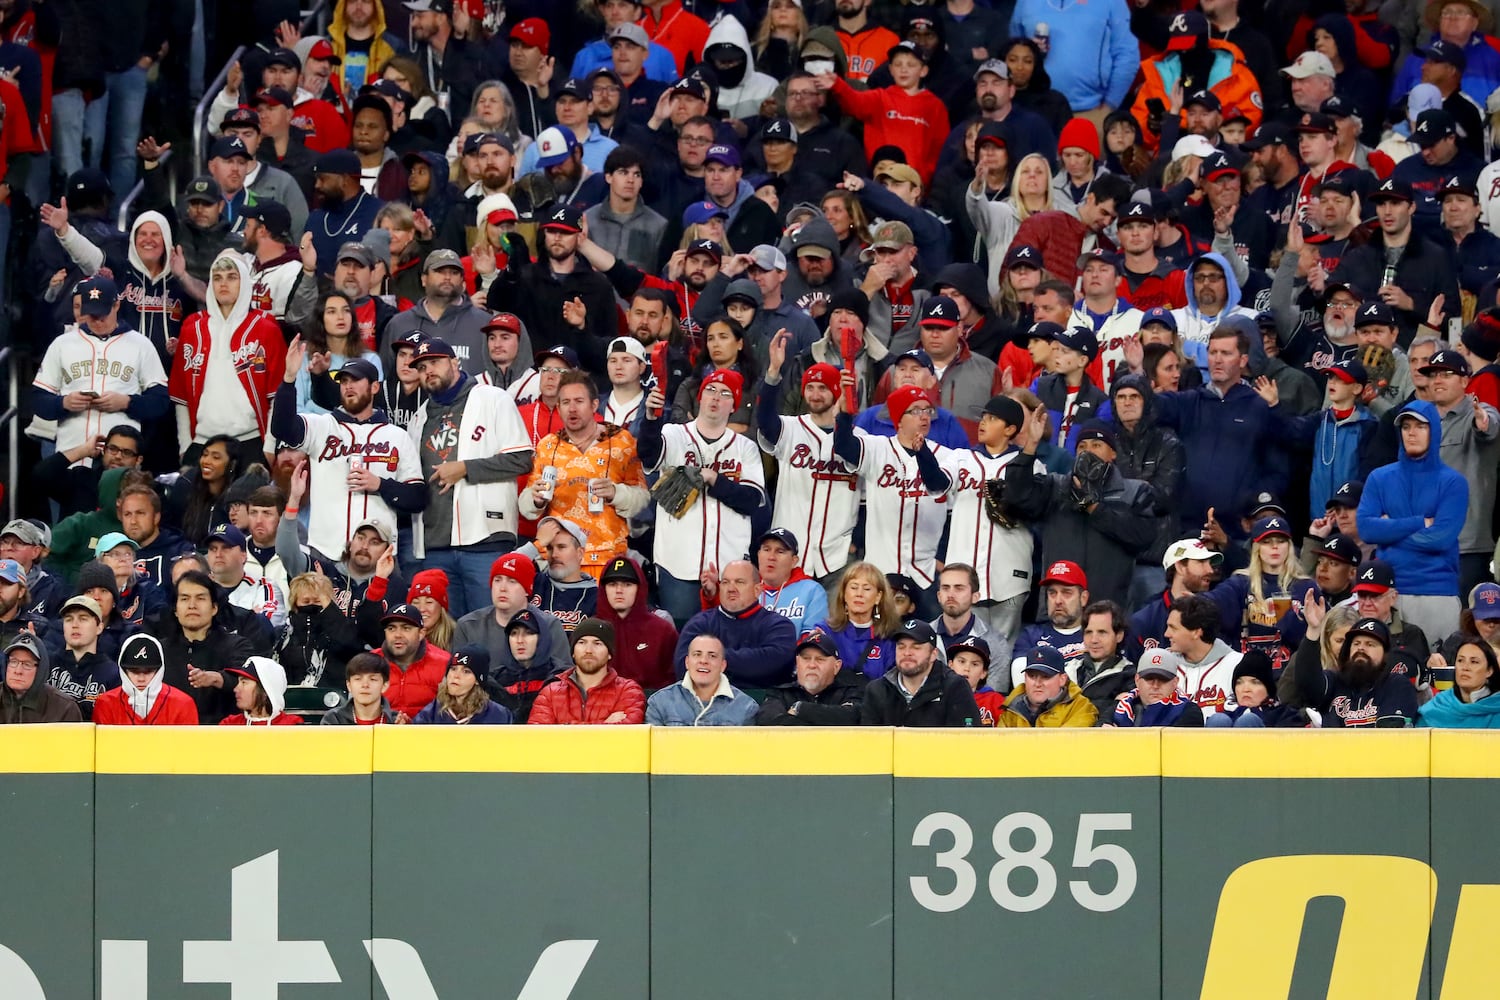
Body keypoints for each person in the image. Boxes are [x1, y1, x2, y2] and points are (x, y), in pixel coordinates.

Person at [408, 336, 534, 617]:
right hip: (435, 543)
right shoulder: (418, 418)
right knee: (445, 634)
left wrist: (465, 468)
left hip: (485, 538)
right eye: (422, 366)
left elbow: (522, 458)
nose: (429, 370)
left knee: (492, 623)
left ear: (455, 361)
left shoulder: (492, 398)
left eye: (436, 362)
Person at [639, 369, 766, 626]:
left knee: (730, 637)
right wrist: (651, 420)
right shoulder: (675, 434)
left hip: (728, 566)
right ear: (699, 397)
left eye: (725, 393)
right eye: (710, 390)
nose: (715, 397)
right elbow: (649, 455)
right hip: (677, 563)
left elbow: (751, 500)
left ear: (734, 405)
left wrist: (714, 479)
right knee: (681, 636)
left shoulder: (745, 447)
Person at [1004, 413, 1157, 605]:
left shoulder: (1135, 491)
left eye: (1096, 445)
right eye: (1082, 446)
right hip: (1059, 606)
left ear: (1113, 453)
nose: (1088, 452)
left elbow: (1143, 537)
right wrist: (1030, 446)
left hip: (1109, 610)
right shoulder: (1055, 486)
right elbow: (1017, 497)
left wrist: (1093, 508)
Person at [938, 394, 1040, 678]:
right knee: (963, 649)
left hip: (1010, 573)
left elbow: (1035, 511)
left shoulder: (1029, 464)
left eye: (992, 418)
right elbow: (936, 483)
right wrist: (922, 453)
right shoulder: (960, 458)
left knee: (1003, 650)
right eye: (983, 417)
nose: (983, 423)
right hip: (964, 577)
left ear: (1010, 429)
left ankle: (994, 709)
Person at [1356, 400, 1468, 644]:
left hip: (1437, 592)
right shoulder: (1379, 478)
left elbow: (1440, 538)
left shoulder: (1453, 482)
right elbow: (1366, 528)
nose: (1412, 433)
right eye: (1406, 427)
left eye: (1420, 426)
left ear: (1434, 431)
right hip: (1387, 592)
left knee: (1438, 672)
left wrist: (1388, 528)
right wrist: (1418, 522)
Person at [837, 384, 953, 617]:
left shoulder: (947, 456)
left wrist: (941, 557)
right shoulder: (878, 448)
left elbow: (945, 498)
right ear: (899, 419)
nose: (924, 416)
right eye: (916, 411)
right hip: (881, 570)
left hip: (926, 573)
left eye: (927, 410)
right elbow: (844, 447)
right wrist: (843, 414)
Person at [518, 371, 649, 577]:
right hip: (560, 560)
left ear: (594, 405)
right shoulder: (547, 446)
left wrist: (616, 493)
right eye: (565, 402)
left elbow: (642, 499)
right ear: (558, 407)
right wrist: (535, 500)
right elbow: (526, 506)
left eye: (579, 401)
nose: (572, 408)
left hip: (608, 558)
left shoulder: (622, 442)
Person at [31, 274, 170, 466]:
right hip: (71, 454)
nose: (96, 320)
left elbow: (161, 402)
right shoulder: (62, 344)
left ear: (116, 305)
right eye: (92, 314)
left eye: (102, 314)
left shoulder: (141, 345)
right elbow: (38, 400)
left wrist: (127, 402)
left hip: (119, 462)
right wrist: (64, 403)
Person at [756, 334, 860, 581]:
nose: (814, 394)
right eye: (810, 388)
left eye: (823, 388)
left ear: (837, 392)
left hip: (837, 555)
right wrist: (773, 372)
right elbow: (766, 421)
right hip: (789, 551)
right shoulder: (790, 428)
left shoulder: (860, 439)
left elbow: (867, 499)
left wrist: (857, 542)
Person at [169, 251, 288, 463]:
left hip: (250, 442)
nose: (224, 284)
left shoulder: (266, 328)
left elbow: (276, 395)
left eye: (232, 277)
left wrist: (269, 446)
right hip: (201, 443)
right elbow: (180, 396)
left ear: (244, 281)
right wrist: (185, 444)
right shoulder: (191, 328)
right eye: (217, 278)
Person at [452, 553, 572, 717]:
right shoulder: (468, 626)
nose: (502, 588)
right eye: (497, 580)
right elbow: (457, 682)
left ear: (527, 589)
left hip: (541, 715)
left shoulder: (549, 626)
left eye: (512, 581)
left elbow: (564, 681)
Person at [1422, 349, 1500, 594]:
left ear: (1465, 380)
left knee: (1466, 621)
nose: (1437, 380)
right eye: (1433, 374)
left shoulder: (1477, 412)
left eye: (1446, 374)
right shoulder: (1420, 420)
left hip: (1467, 544)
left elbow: (1488, 427)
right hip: (1426, 541)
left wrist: (1482, 422)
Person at [1290, 595, 1419, 726]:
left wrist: (1329, 726)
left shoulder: (1397, 685)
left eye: (1370, 644)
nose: (1361, 648)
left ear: (1385, 654)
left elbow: (1389, 733)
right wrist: (1313, 629)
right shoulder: (1335, 682)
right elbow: (1307, 684)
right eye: (1356, 643)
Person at [675, 560, 797, 688]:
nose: (731, 589)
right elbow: (683, 666)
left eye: (739, 582)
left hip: (764, 703)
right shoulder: (700, 623)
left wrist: (711, 657)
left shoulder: (779, 626)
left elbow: (771, 664)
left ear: (757, 590)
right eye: (725, 582)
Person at [860, 619, 982, 726]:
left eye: (916, 647)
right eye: (901, 646)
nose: (907, 653)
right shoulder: (877, 690)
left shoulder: (955, 688)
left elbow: (967, 742)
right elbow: (869, 742)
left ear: (933, 654)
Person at [528, 618, 646, 724]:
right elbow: (539, 738)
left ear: (610, 653)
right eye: (582, 642)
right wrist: (605, 725)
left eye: (597, 643)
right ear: (573, 652)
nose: (588, 650)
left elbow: (626, 737)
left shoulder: (628, 691)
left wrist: (564, 728)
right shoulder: (550, 693)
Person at [756, 626, 868, 725]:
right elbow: (769, 722)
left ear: (836, 667)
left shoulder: (852, 691)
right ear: (797, 662)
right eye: (806, 659)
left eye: (820, 659)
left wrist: (800, 709)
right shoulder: (780, 693)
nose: (812, 665)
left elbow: (851, 719)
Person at [595, 556, 677, 689]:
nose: (619, 590)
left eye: (627, 584)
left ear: (640, 588)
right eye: (612, 584)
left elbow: (673, 680)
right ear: (603, 589)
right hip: (601, 703)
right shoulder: (591, 630)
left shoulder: (662, 630)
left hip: (651, 704)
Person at [646, 633, 759, 725]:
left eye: (712, 656)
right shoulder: (660, 702)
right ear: (687, 662)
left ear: (722, 666)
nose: (703, 661)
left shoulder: (746, 707)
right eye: (697, 654)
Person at [1165, 592, 1244, 720]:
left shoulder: (1238, 664)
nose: (1166, 634)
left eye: (1173, 628)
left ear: (1196, 632)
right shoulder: (1162, 663)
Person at [92, 633, 200, 726]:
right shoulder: (106, 703)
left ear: (159, 670)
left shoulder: (183, 704)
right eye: (134, 671)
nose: (141, 678)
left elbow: (188, 748)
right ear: (124, 671)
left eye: (148, 671)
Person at [375, 601, 451, 722]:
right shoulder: (370, 663)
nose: (397, 635)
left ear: (421, 633)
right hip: (379, 736)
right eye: (391, 628)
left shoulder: (444, 663)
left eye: (406, 628)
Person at [48, 595, 119, 718]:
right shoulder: (46, 665)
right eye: (69, 619)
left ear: (99, 627)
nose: (75, 625)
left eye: (83, 619)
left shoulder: (112, 674)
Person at [999, 645, 1098, 728]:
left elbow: (1066, 746)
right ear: (1025, 677)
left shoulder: (1081, 707)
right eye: (1032, 676)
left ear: (1062, 679)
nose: (1037, 683)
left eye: (1046, 676)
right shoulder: (1011, 709)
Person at [528, 517, 599, 631]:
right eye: (549, 548)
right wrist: (537, 544)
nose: (554, 554)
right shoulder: (535, 582)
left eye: (561, 547)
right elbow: (505, 570)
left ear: (580, 553)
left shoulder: (595, 595)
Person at [413, 646, 514, 724]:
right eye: (453, 669)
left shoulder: (499, 715)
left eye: (466, 671)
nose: (456, 676)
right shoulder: (432, 712)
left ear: (478, 680)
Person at [1105, 649, 1205, 727]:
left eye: (1163, 679)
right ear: (1137, 680)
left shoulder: (1188, 710)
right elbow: (1101, 728)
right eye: (1149, 678)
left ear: (1175, 682)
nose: (1156, 685)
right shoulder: (1120, 706)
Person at [753, 528, 829, 630]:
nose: (771, 557)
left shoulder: (812, 591)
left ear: (794, 561)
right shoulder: (745, 588)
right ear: (758, 554)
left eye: (780, 551)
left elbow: (813, 638)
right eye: (766, 550)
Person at [1418, 636, 1500, 728]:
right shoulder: (1437, 706)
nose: (1465, 667)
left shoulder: (1496, 708)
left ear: (1489, 671)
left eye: (1474, 662)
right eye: (1460, 660)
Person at [1073, 600, 1138, 715]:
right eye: (1088, 632)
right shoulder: (1068, 670)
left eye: (1102, 632)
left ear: (1119, 635)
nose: (1094, 640)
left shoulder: (1129, 676)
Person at [0, 634, 82, 724]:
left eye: (27, 664)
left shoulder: (65, 708)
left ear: (40, 670)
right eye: (13, 662)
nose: (18, 671)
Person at [320, 652, 401, 725]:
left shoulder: (396, 721)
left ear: (384, 686)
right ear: (349, 685)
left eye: (373, 679)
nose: (365, 685)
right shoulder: (334, 720)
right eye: (358, 679)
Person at [219, 656, 302, 726]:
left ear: (266, 689)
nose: (236, 689)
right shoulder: (229, 724)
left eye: (244, 682)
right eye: (238, 682)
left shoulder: (292, 725)